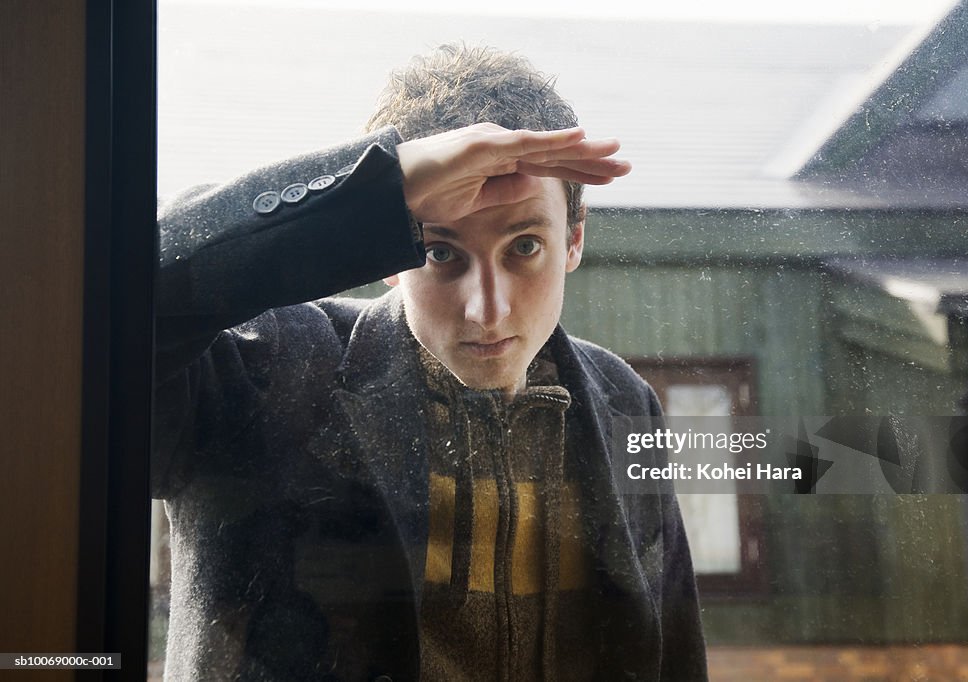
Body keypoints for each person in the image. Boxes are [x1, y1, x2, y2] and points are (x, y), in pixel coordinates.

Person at [154, 44, 706, 681]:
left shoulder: (622, 399)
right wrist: (376, 191)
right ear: (385, 253)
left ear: (574, 240)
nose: (487, 311)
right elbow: (100, 306)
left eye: (525, 246)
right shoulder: (265, 368)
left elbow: (674, 655)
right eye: (442, 253)